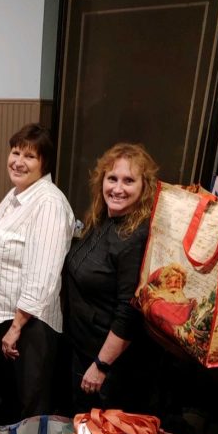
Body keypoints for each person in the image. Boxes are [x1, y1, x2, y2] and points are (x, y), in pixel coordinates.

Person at [0, 123, 75, 423]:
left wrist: (15, 328)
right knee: (10, 402)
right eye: (16, 152)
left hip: (29, 324)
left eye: (29, 156)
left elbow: (42, 276)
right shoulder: (18, 194)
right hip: (7, 317)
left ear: (44, 163)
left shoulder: (49, 203)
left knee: (31, 409)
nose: (18, 161)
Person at [64, 142, 158, 412]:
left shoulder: (135, 237)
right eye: (112, 178)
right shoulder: (103, 218)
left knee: (102, 432)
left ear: (144, 187)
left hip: (108, 365)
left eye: (129, 180)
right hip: (82, 346)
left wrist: (101, 365)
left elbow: (129, 312)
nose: (118, 188)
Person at [140, 263, 197, 339]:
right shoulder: (157, 304)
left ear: (182, 285)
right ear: (163, 284)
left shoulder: (183, 301)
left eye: (177, 282)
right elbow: (180, 319)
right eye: (169, 282)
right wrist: (190, 303)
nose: (173, 285)